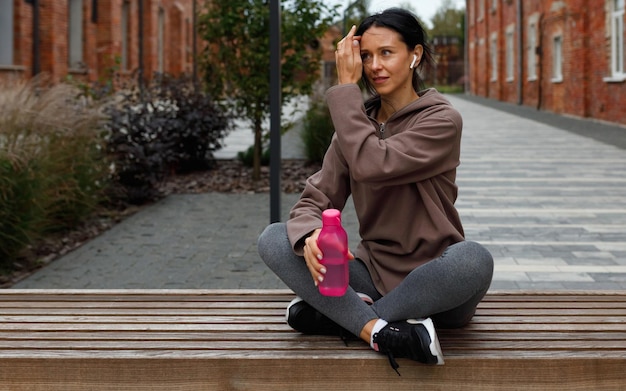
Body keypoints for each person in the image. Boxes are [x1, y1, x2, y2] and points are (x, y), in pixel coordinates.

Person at [257, 8, 494, 374]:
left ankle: (343, 318)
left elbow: (374, 163)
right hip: (372, 274)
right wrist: (310, 238)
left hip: (437, 282)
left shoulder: (441, 120)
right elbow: (313, 201)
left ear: (414, 55)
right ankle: (379, 331)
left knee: (474, 259)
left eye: (386, 53)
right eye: (365, 56)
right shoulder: (355, 130)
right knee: (275, 237)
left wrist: (345, 91)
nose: (373, 66)